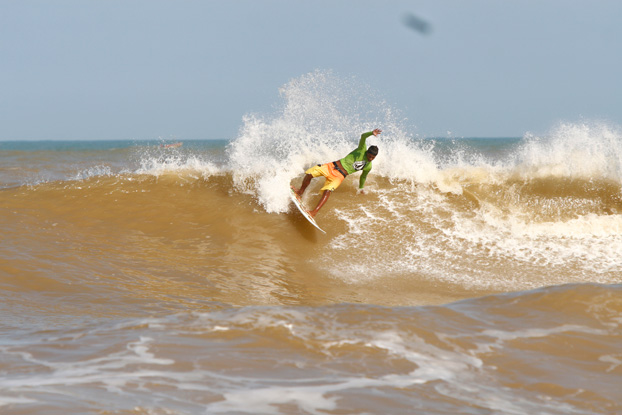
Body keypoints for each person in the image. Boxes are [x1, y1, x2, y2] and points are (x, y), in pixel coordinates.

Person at [293, 129, 381, 217]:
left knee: (327, 191)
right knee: (310, 174)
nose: (370, 159)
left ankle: (314, 212)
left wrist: (361, 188)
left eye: (373, 157)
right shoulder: (361, 150)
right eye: (369, 156)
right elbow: (363, 136)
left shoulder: (368, 166)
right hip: (331, 166)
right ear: (367, 152)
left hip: (340, 176)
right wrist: (371, 133)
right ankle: (300, 192)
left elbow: (363, 177)